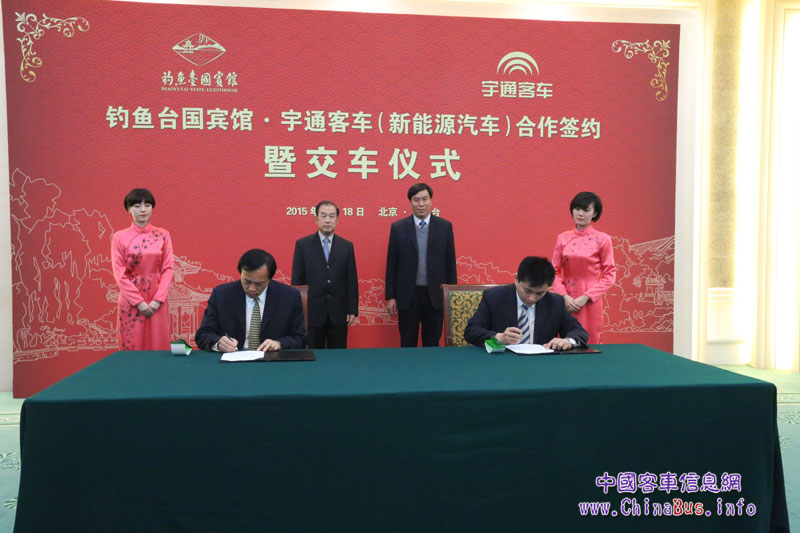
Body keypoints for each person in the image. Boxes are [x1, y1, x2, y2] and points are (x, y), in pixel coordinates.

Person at [385, 183, 457, 347]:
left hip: (435, 295)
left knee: (432, 343)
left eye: (425, 199)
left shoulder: (444, 227)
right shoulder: (398, 228)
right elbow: (392, 264)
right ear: (410, 202)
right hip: (407, 295)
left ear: (431, 201)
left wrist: (451, 295)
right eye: (416, 200)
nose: (421, 204)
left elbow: (450, 263)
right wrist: (391, 296)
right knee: (407, 342)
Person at [464, 256, 588, 349]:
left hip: (541, 363)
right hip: (503, 363)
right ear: (516, 279)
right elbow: (471, 331)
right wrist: (499, 337)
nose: (532, 298)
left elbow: (579, 332)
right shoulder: (494, 297)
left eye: (540, 293)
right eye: (527, 291)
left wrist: (568, 341)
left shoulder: (556, 303)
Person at [195, 249, 306, 352]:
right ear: (241, 273)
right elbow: (203, 334)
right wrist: (219, 343)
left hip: (271, 360)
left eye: (259, 284)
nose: (251, 288)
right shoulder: (222, 295)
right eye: (246, 281)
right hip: (233, 360)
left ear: (270, 279)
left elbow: (300, 339)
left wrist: (279, 343)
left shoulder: (289, 297)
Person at [111, 188, 174, 351]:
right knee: (133, 348)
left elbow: (168, 268)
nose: (143, 209)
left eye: (147, 205)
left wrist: (157, 300)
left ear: (152, 207)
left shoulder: (163, 235)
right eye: (137, 206)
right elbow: (119, 273)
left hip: (157, 299)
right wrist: (138, 302)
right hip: (131, 300)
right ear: (129, 209)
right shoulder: (119, 237)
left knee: (158, 346)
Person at [551, 191, 616, 344]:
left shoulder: (603, 239)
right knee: (562, 342)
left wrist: (586, 297)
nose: (580, 214)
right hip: (566, 299)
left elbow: (610, 274)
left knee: (589, 341)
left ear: (595, 213)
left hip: (590, 300)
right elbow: (554, 271)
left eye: (586, 210)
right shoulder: (563, 238)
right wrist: (564, 296)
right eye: (577, 209)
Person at [291, 200, 358, 349]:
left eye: (332, 216)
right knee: (314, 355)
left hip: (339, 313)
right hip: (312, 314)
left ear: (337, 220)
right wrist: (299, 312)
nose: (328, 220)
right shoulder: (303, 245)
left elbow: (351, 280)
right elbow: (297, 282)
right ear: (316, 219)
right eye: (323, 216)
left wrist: (352, 310)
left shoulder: (346, 246)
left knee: (338, 357)